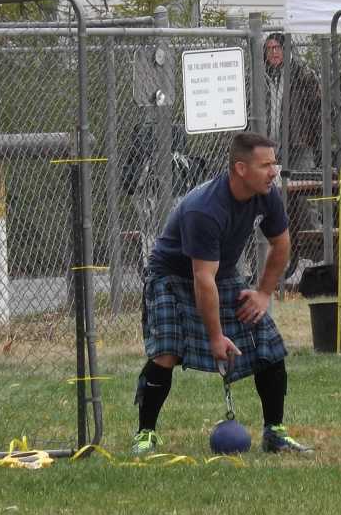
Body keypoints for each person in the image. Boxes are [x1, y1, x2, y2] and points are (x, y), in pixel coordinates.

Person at [130, 132, 313, 457]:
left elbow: (282, 244)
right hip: (171, 275)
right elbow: (202, 279)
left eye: (274, 164)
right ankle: (145, 434)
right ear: (241, 168)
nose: (274, 172)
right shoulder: (204, 208)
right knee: (166, 352)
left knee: (269, 346)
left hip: (221, 275)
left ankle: (274, 432)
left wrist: (263, 294)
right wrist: (216, 338)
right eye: (266, 165)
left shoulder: (267, 194)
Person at [263, 33, 323, 264]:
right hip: (269, 147)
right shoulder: (260, 75)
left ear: (286, 50)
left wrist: (312, 139)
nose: (273, 53)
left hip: (298, 144)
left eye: (277, 48)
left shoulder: (303, 74)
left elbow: (318, 111)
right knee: (271, 199)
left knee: (303, 200)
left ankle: (316, 251)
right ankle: (277, 253)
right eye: (269, 48)